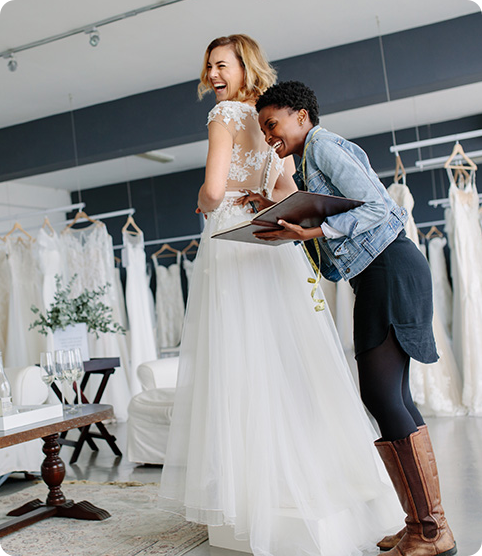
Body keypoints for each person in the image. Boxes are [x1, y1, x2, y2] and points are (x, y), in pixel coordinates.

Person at [159, 36, 404, 556]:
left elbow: (211, 186)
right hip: (273, 238)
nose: (213, 73)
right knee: (288, 357)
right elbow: (284, 193)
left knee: (238, 359)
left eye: (220, 64)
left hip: (231, 237)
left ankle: (253, 491)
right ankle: (308, 478)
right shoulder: (270, 122)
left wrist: (205, 201)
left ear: (242, 65)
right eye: (209, 66)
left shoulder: (225, 115)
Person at [253, 80, 457, 556]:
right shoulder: (306, 162)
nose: (268, 136)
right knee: (392, 396)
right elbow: (329, 242)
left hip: (390, 267)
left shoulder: (324, 146)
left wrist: (315, 228)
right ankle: (420, 526)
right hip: (379, 273)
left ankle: (432, 530)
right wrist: (286, 223)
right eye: (264, 129)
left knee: (382, 394)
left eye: (273, 124)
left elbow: (379, 207)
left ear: (301, 116)